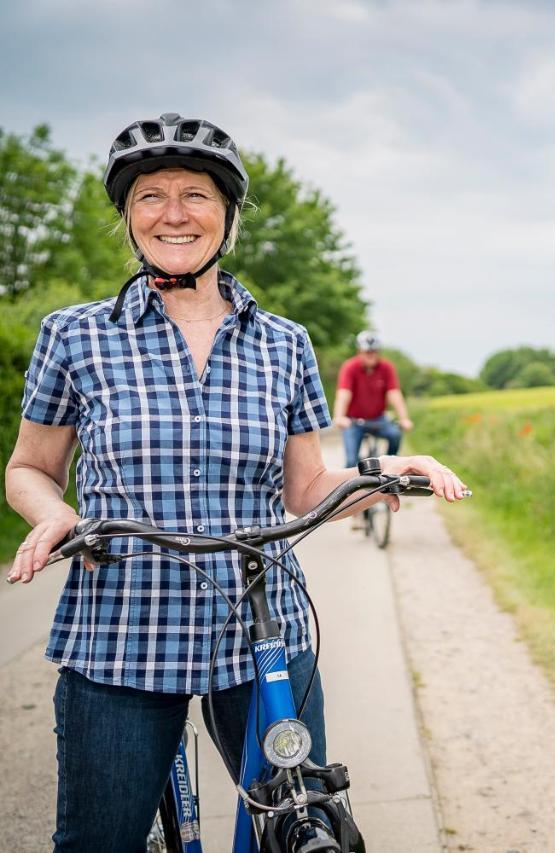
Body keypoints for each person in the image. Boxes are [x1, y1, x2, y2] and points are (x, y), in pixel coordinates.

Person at [3, 112, 469, 852]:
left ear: (228, 215)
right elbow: (29, 468)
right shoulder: (77, 334)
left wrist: (384, 470)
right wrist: (53, 512)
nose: (174, 212)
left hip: (260, 634)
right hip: (121, 633)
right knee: (98, 841)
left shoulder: (284, 343)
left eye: (196, 193)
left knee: (298, 829)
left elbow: (306, 484)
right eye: (150, 195)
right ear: (129, 216)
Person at [333, 330, 415, 468]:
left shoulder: (386, 368)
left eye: (374, 352)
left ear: (378, 352)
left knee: (395, 434)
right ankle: (352, 486)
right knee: (351, 461)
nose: (371, 355)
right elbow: (343, 394)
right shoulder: (350, 367)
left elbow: (394, 394)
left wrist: (404, 418)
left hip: (378, 419)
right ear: (359, 351)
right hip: (354, 421)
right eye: (367, 352)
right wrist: (339, 416)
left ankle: (390, 467)